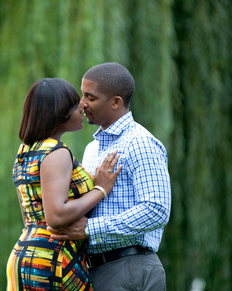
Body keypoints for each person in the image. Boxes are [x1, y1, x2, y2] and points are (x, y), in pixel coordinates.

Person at [47, 63, 171, 291]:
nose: (81, 104)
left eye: (90, 97)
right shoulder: (92, 149)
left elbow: (156, 209)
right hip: (96, 270)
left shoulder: (140, 143)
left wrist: (90, 229)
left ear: (116, 102)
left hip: (129, 268)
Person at [7, 78, 123, 291]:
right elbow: (56, 215)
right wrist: (101, 189)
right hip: (53, 258)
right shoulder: (57, 152)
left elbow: (30, 215)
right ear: (60, 114)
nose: (82, 110)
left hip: (27, 252)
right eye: (76, 107)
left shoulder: (25, 151)